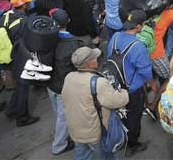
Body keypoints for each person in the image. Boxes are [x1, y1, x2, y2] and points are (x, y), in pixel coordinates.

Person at [62, 47, 129, 160]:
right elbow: (119, 101)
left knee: (81, 156)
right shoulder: (98, 83)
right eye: (94, 57)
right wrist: (124, 91)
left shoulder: (69, 77)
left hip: (76, 131)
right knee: (107, 156)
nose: (97, 59)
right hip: (94, 134)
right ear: (90, 63)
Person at [106, 9, 152, 155]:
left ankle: (120, 136)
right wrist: (150, 83)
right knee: (133, 117)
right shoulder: (137, 46)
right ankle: (132, 144)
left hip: (115, 84)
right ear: (138, 27)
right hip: (132, 90)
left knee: (121, 114)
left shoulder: (115, 37)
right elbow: (146, 71)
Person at [47, 9, 80, 155]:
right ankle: (59, 145)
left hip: (49, 82)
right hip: (64, 86)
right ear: (68, 22)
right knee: (64, 117)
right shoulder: (74, 43)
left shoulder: (45, 39)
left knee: (58, 112)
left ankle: (65, 137)